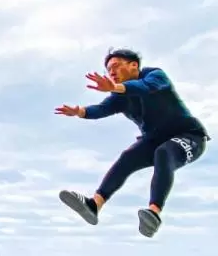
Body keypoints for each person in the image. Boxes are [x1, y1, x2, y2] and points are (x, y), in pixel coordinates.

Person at [54, 48, 209, 238]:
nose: (111, 72)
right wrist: (79, 111)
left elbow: (144, 88)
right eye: (108, 70)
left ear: (133, 65)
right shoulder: (120, 97)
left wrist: (114, 88)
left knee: (164, 153)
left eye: (116, 66)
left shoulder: (155, 76)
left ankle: (153, 213)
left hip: (189, 136)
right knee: (128, 157)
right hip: (152, 139)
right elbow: (101, 109)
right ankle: (94, 205)